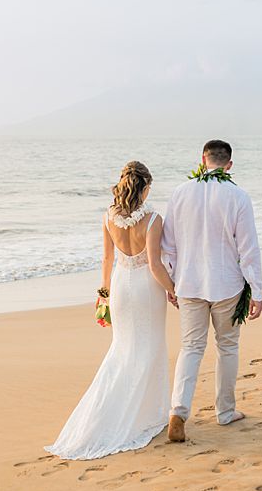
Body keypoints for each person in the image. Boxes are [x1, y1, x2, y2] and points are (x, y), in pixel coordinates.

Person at [44, 161, 177, 460]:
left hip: (120, 288)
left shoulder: (108, 217)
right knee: (150, 348)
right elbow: (155, 266)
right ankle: (147, 415)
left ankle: (114, 414)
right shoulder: (154, 219)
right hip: (146, 289)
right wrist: (173, 289)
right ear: (144, 187)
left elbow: (106, 260)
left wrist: (103, 294)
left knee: (123, 349)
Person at [161, 139, 262, 443]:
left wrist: (171, 282)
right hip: (227, 284)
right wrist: (257, 291)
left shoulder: (180, 193)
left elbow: (168, 245)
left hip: (189, 283)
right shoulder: (238, 196)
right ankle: (225, 411)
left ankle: (178, 410)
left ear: (202, 159)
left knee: (191, 347)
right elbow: (248, 249)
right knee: (227, 347)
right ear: (229, 165)